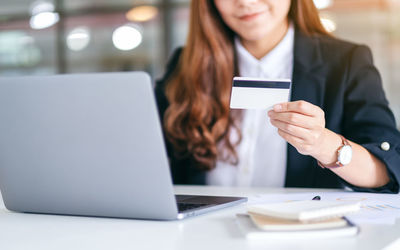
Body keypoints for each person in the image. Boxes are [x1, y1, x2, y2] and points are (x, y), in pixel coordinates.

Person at [155, 0, 400, 193]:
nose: (246, 1)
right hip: (200, 233)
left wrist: (323, 144)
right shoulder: (185, 64)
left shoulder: (346, 62)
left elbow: (389, 170)